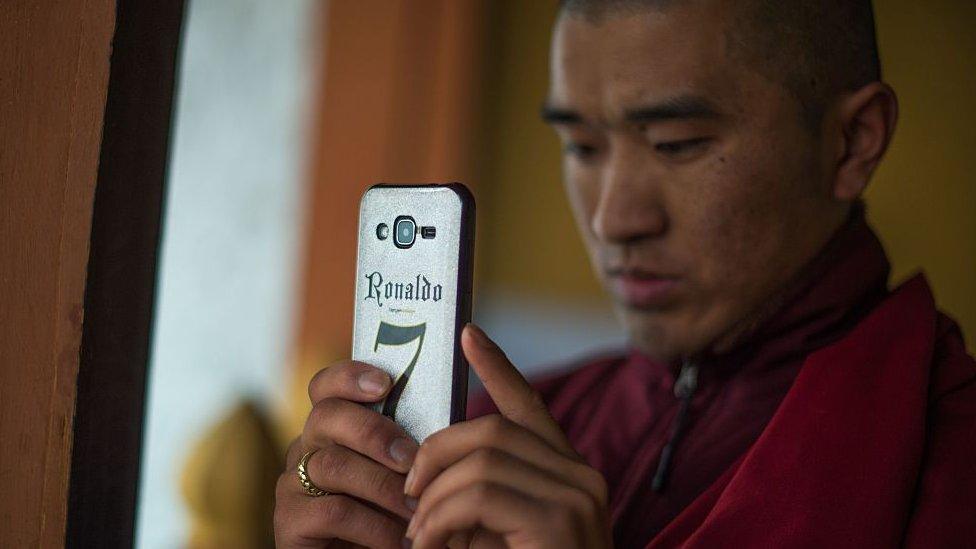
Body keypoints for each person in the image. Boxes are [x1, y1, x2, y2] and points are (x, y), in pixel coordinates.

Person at [274, 1, 976, 547]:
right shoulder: (500, 434)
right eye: (581, 146)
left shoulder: (945, 450)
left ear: (852, 141)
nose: (612, 218)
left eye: (677, 143)